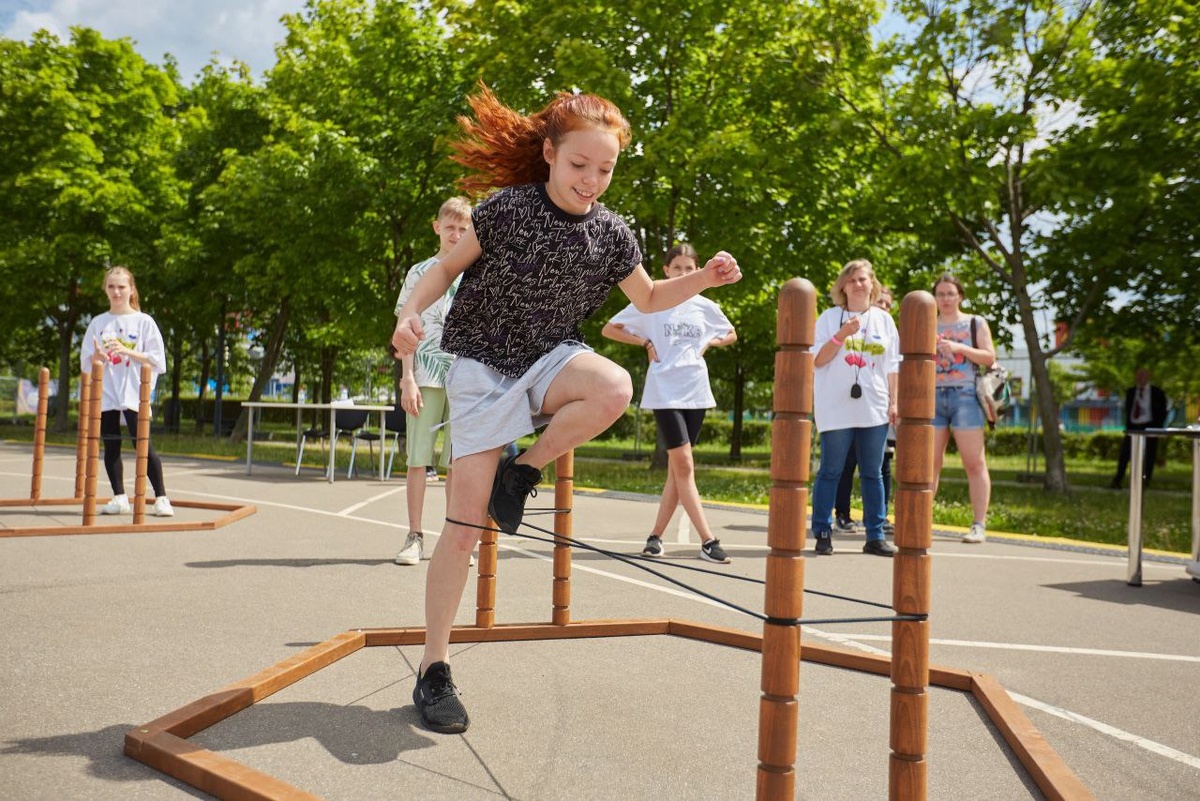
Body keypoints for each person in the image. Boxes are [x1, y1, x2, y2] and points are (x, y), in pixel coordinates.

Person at [391, 85, 741, 734]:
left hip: (551, 358)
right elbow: (442, 271)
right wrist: (411, 316)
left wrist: (706, 279)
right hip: (482, 365)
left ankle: (521, 470)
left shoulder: (611, 233)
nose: (591, 181)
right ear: (550, 154)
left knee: (613, 386)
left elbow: (654, 296)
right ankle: (434, 668)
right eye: (580, 165)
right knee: (464, 528)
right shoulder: (506, 209)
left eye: (604, 170)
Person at [601, 242, 738, 563]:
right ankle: (708, 540)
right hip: (664, 390)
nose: (684, 273)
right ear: (666, 270)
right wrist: (645, 341)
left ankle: (655, 537)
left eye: (690, 269)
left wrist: (709, 342)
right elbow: (610, 329)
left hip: (697, 390)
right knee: (685, 465)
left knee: (678, 472)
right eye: (677, 268)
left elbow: (730, 333)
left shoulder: (704, 306)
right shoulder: (652, 301)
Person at [393, 197, 473, 566]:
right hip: (425, 376)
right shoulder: (419, 272)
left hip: (465, 380)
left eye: (463, 228)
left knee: (459, 462)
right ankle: (414, 536)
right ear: (437, 227)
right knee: (418, 460)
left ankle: (454, 539)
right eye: (451, 227)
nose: (456, 235)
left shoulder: (476, 271)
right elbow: (405, 327)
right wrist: (407, 377)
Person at [811, 260, 900, 557]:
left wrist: (894, 402)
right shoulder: (828, 317)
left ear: (872, 284)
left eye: (863, 279)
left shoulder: (884, 320)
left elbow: (892, 367)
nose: (859, 284)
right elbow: (818, 360)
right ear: (843, 287)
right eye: (852, 280)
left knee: (873, 473)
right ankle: (822, 531)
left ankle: (875, 535)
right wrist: (842, 334)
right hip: (835, 408)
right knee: (831, 470)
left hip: (873, 407)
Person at [80, 266, 173, 517]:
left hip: (135, 393)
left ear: (131, 289)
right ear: (105, 290)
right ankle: (119, 496)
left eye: (121, 287)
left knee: (142, 444)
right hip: (107, 393)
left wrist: (126, 350)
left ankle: (161, 497)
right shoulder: (98, 323)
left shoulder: (144, 322)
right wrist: (97, 356)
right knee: (111, 445)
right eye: (111, 286)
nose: (116, 291)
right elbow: (86, 362)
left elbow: (158, 362)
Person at [931, 273, 995, 544]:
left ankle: (978, 524)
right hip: (931, 395)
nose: (945, 299)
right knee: (929, 465)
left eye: (950, 293)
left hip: (965, 395)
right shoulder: (927, 323)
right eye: (940, 294)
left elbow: (990, 357)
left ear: (960, 296)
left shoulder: (974, 322)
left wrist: (959, 347)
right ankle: (922, 521)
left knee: (974, 461)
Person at [833, 286, 896, 533]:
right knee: (846, 462)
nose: (884, 307)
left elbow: (893, 368)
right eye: (880, 302)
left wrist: (894, 401)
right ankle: (843, 515)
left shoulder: (888, 329)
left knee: (881, 465)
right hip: (850, 405)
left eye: (888, 305)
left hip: (879, 405)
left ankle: (879, 517)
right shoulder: (852, 326)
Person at [1110, 368, 1168, 489]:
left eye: (1143, 375)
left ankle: (1145, 481)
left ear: (1148, 376)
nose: (1140, 378)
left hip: (1150, 426)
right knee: (1125, 454)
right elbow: (1128, 408)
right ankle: (1118, 479)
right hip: (1133, 426)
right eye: (1138, 375)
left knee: (1149, 455)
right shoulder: (1130, 392)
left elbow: (1162, 411)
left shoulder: (1157, 392)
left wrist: (1158, 427)